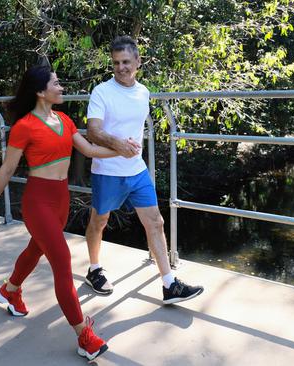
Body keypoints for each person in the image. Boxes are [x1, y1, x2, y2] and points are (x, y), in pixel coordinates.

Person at [0, 65, 120, 361]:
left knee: (36, 248)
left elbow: (89, 150)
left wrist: (122, 150)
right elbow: (7, 169)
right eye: (56, 83)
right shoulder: (24, 126)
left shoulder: (64, 119)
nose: (61, 87)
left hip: (61, 200)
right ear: (41, 92)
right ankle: (84, 336)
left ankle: (10, 289)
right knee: (62, 261)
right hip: (38, 202)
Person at [84, 36, 204, 304]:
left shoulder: (144, 92)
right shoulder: (101, 91)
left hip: (136, 170)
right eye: (116, 63)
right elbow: (93, 131)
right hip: (107, 171)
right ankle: (94, 269)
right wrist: (118, 145)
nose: (121, 67)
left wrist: (129, 151)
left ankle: (169, 284)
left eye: (126, 61)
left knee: (155, 221)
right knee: (99, 222)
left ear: (138, 62)